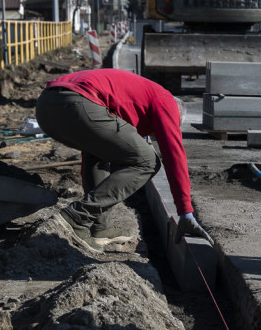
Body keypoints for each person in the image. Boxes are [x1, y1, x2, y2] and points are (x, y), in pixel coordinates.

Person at [34, 68, 209, 253]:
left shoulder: (134, 98)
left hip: (47, 107)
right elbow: (174, 154)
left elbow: (92, 154)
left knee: (99, 155)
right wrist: (185, 211)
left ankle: (100, 228)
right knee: (148, 161)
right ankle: (77, 217)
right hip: (76, 101)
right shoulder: (167, 101)